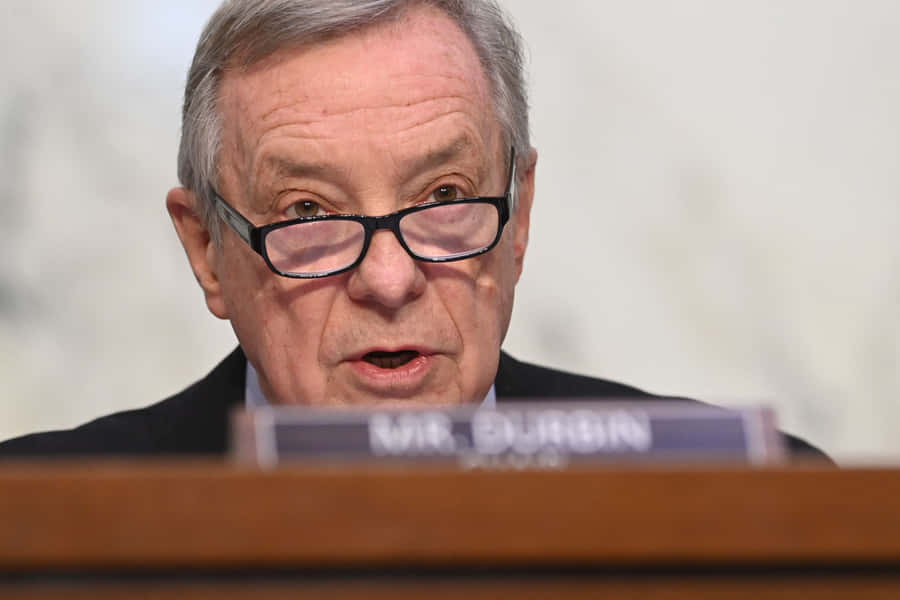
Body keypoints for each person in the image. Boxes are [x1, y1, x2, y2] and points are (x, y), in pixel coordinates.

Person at [0, 0, 824, 458]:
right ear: (209, 252)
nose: (389, 280)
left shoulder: (753, 495)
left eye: (443, 194)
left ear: (520, 215)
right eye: (308, 213)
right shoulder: (39, 518)